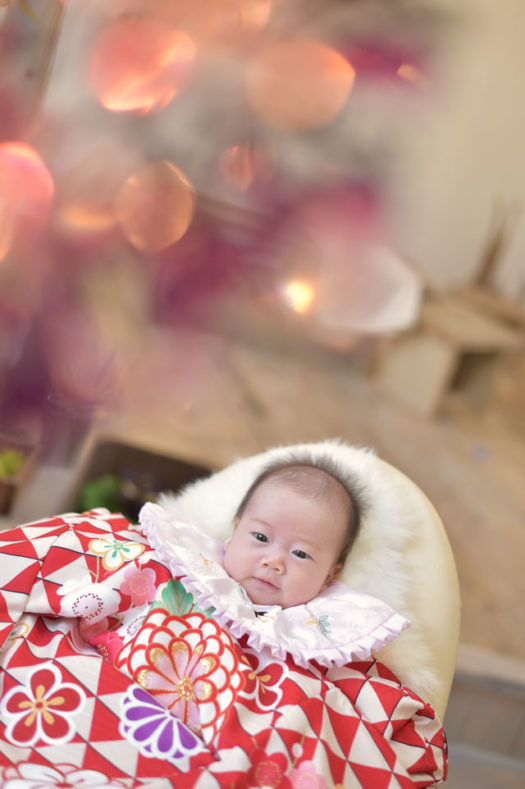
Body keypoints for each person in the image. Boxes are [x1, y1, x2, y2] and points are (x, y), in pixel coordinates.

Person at [223, 452, 367, 609]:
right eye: (261, 537)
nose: (274, 562)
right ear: (235, 531)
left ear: (328, 577)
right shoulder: (199, 570)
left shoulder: (317, 624)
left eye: (300, 554)